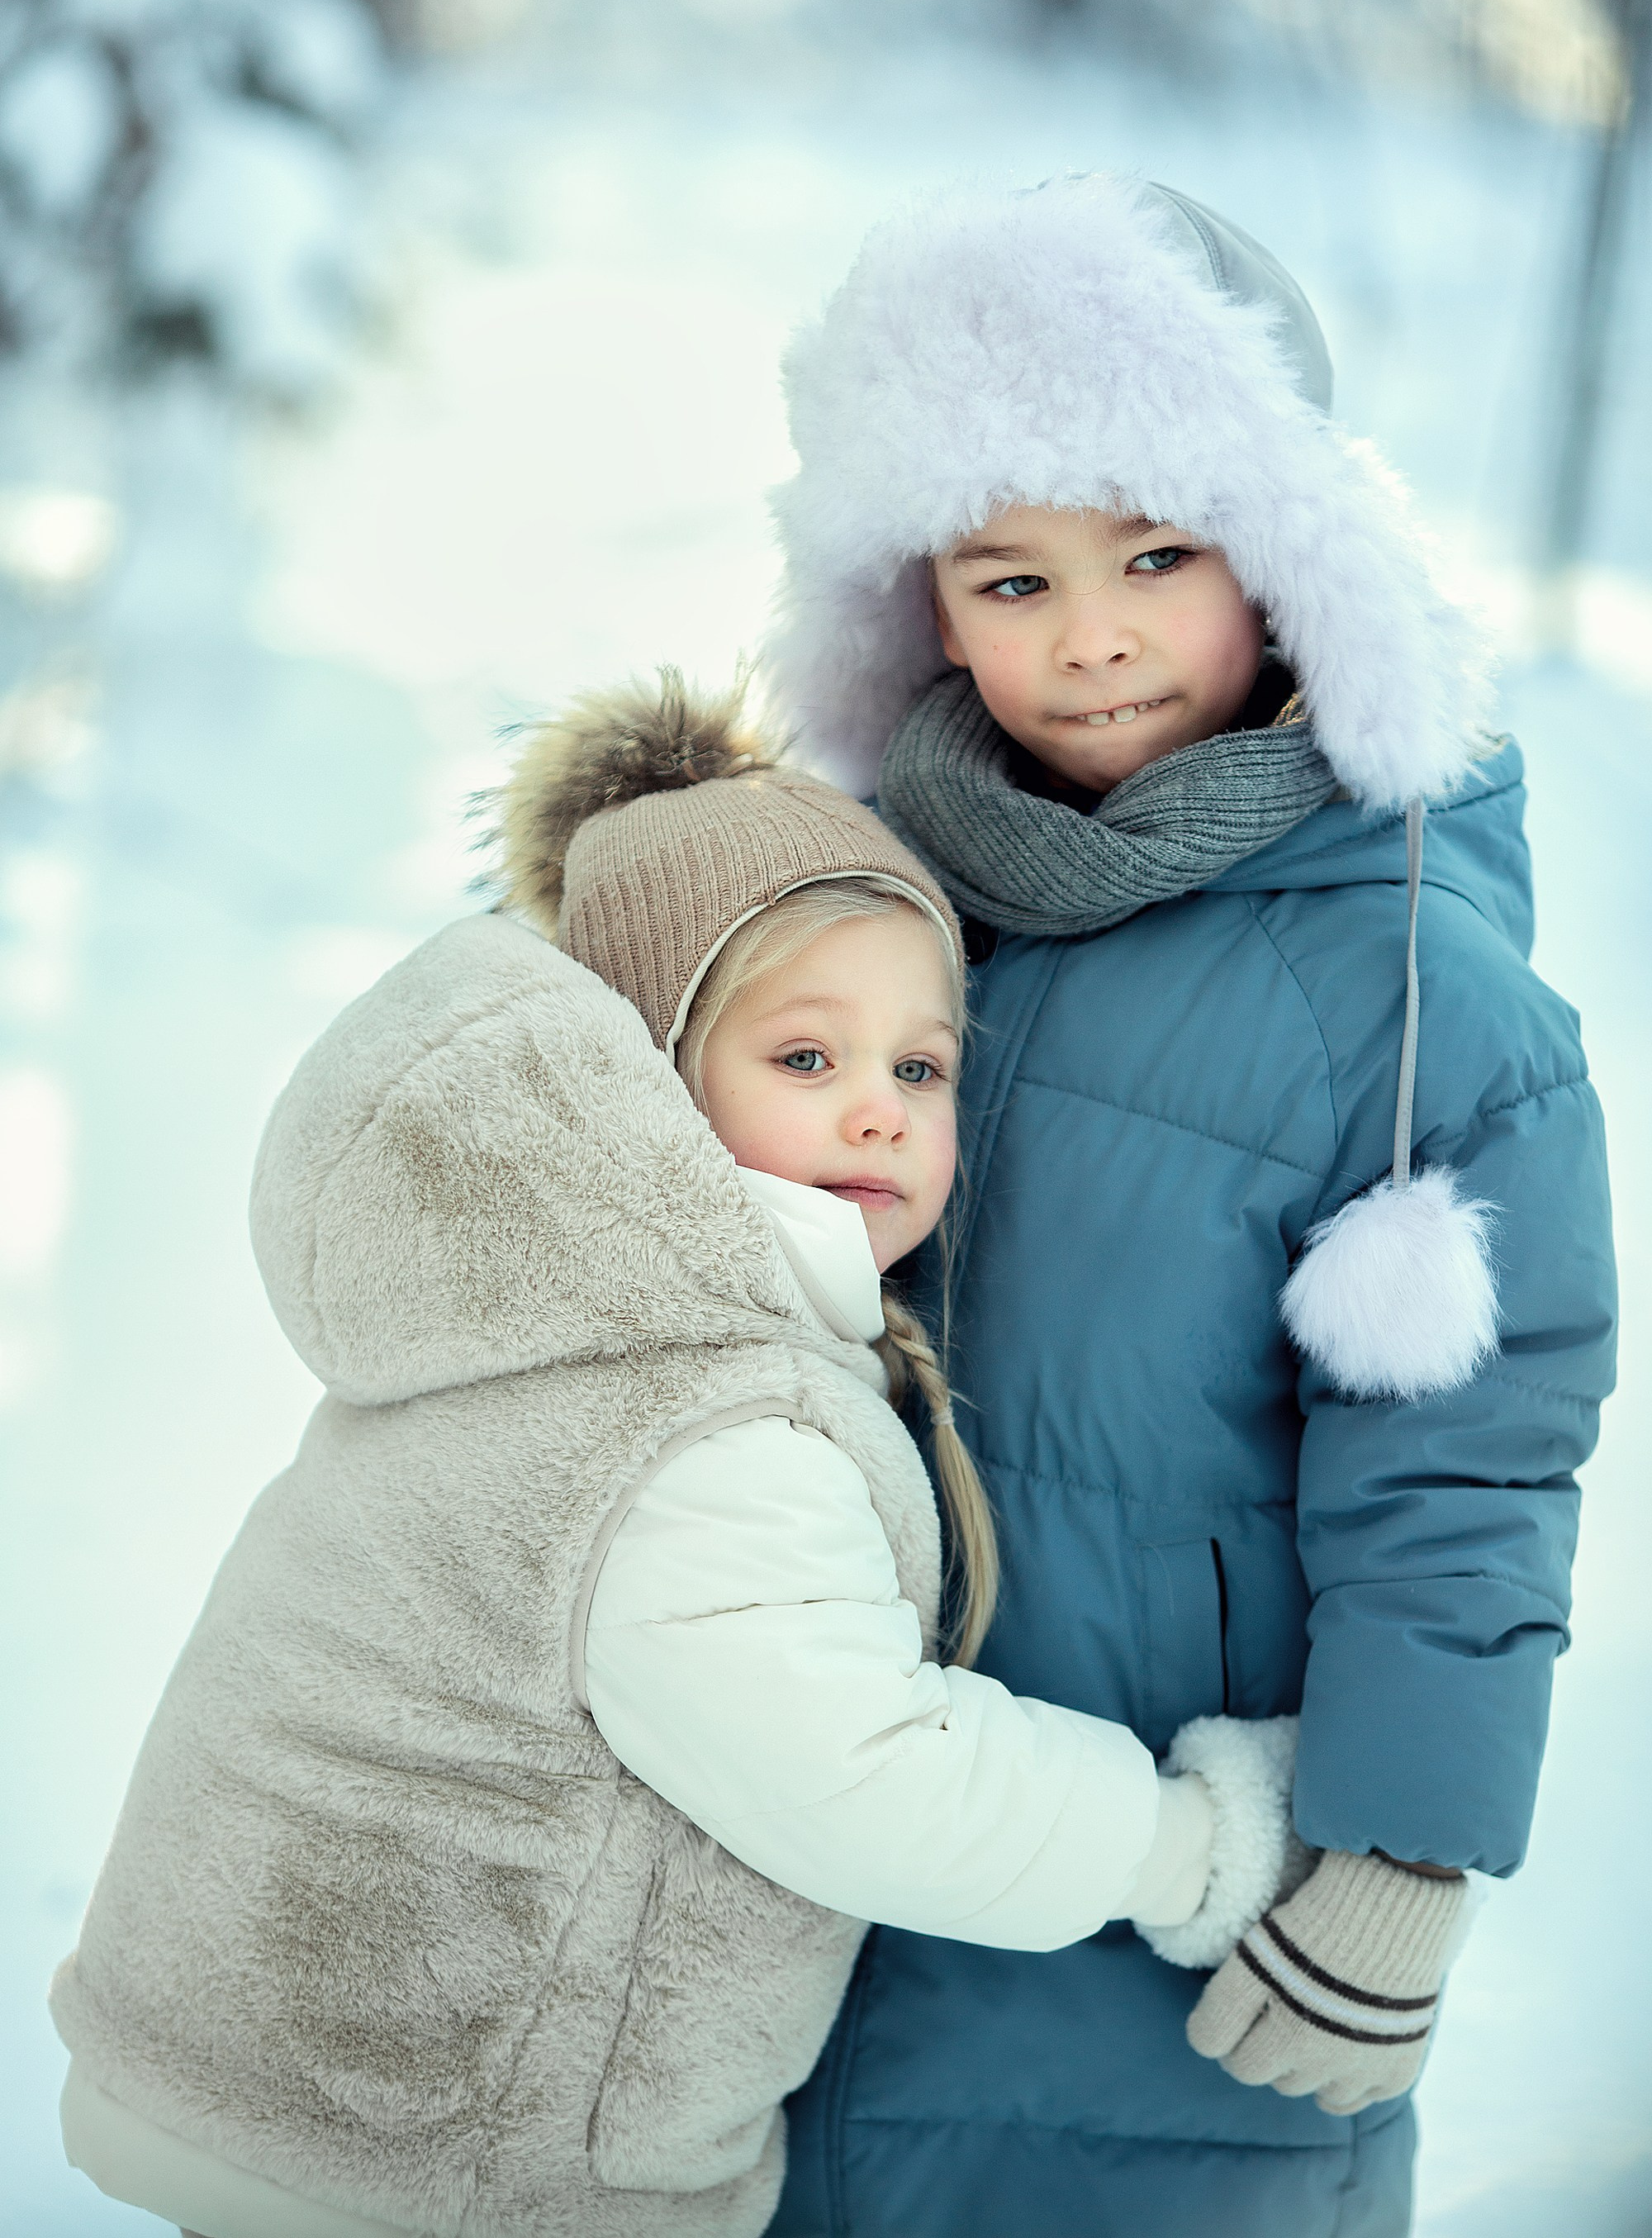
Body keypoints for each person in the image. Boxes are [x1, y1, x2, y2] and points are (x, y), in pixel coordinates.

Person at [52, 676, 1303, 2238]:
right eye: (803, 1061)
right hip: (457, 2156)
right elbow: (859, 1775)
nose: (879, 1114)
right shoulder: (708, 1424)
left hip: (312, 2102)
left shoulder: (550, 1321)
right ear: (646, 1084)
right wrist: (1188, 1845)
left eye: (921, 1069)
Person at [763, 175, 1617, 2238]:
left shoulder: (1411, 998)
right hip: (781, 1880)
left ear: (1290, 549)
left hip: (1175, 1926)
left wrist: (1397, 1861)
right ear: (918, 602)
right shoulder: (842, 899)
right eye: (1009, 578)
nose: (1096, 637)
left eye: (1158, 552)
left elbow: (1464, 1469)